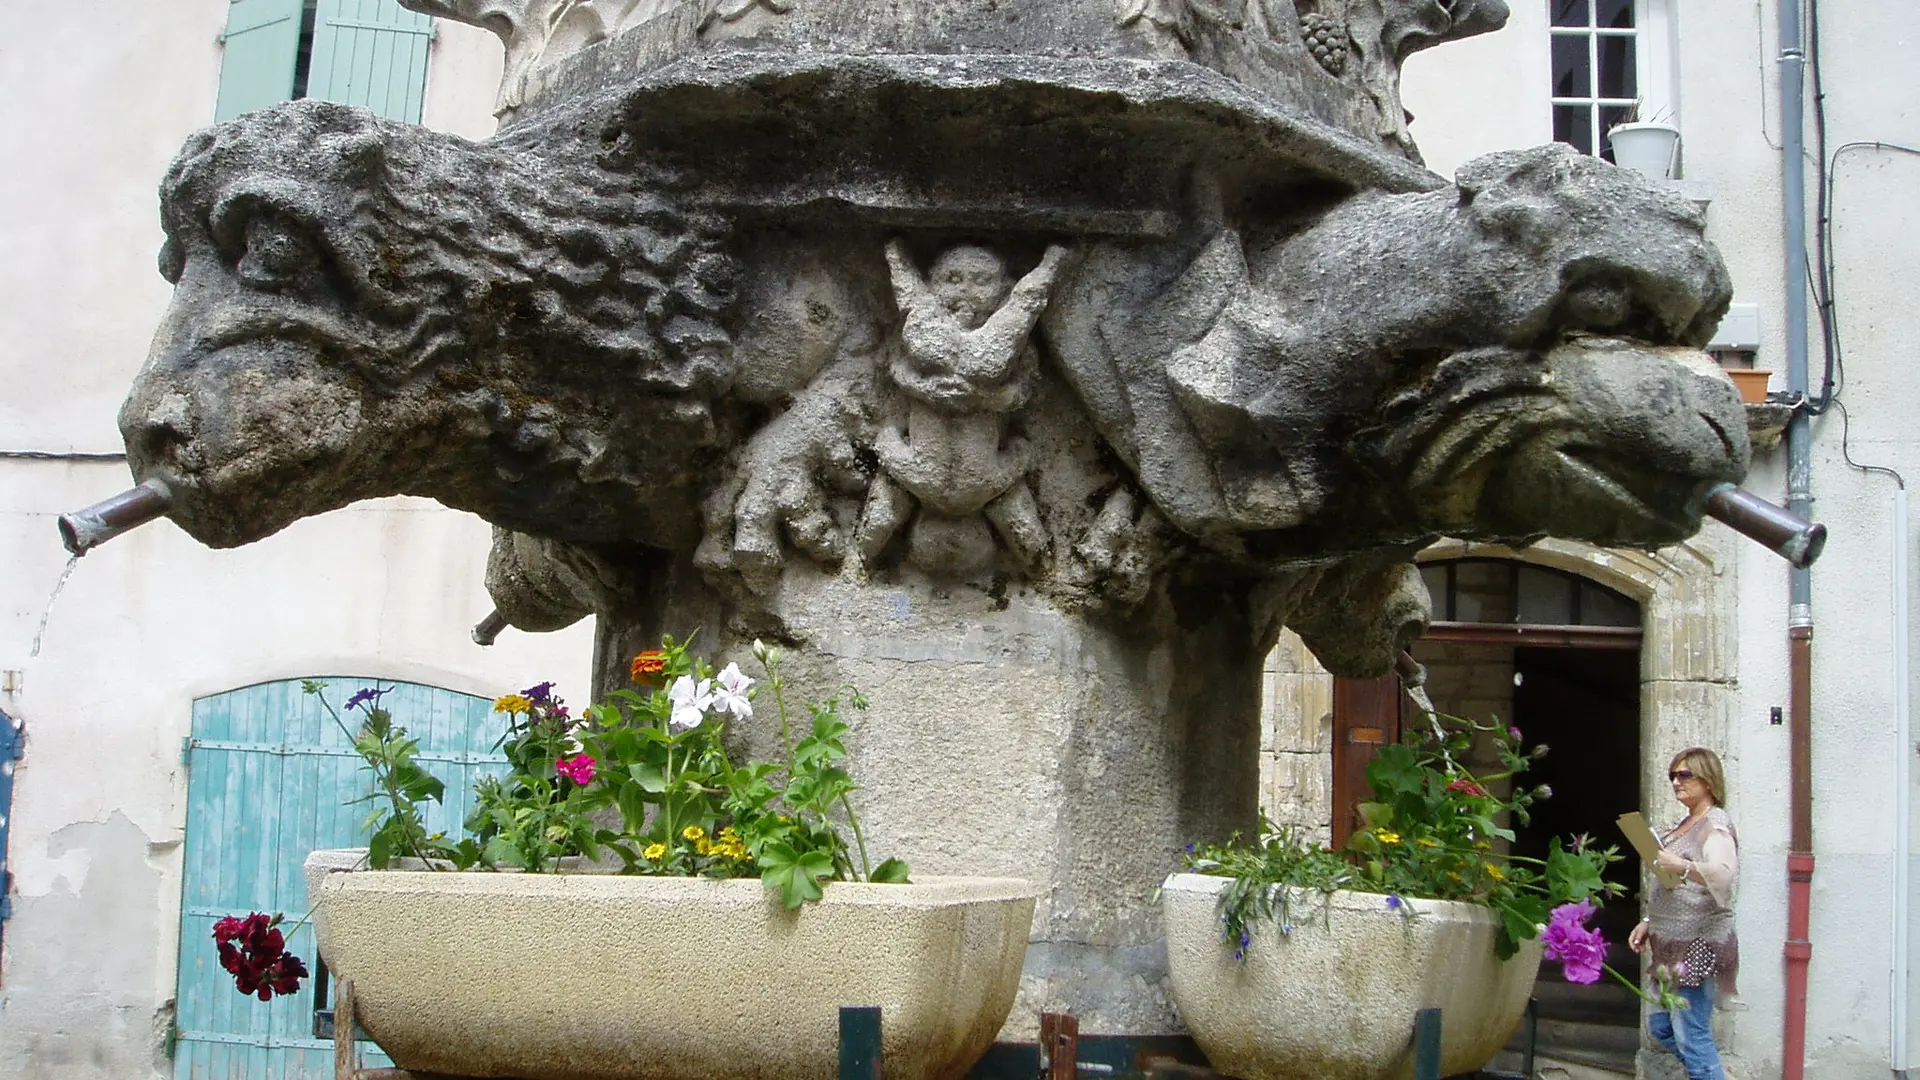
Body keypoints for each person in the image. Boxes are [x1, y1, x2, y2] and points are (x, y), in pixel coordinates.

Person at [1628, 747, 1738, 1080]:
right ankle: (1710, 1071)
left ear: (1708, 779)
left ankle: (1709, 1071)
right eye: (1673, 775)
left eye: (1685, 774)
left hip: (1697, 943)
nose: (1676, 781)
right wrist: (1649, 921)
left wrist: (1684, 865)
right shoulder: (1686, 823)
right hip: (1671, 942)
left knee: (1692, 1034)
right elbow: (1673, 885)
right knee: (1661, 1025)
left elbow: (1723, 873)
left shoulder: (1714, 823)